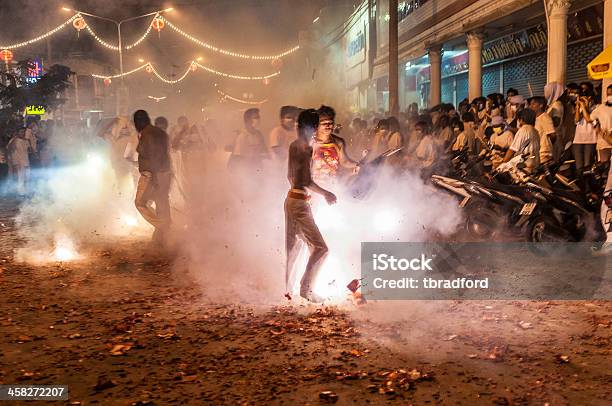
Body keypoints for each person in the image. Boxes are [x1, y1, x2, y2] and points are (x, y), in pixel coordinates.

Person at [285, 109, 337, 303]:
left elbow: (290, 177)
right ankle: (306, 289)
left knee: (295, 247)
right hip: (299, 202)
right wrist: (326, 194)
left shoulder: (293, 145)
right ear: (314, 127)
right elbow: (305, 179)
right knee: (321, 248)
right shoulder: (305, 147)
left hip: (291, 199)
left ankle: (288, 291)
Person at [133, 110, 172, 247]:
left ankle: (164, 226)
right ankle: (161, 239)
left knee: (140, 202)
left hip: (152, 173)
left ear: (139, 122)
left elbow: (153, 155)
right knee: (161, 202)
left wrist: (154, 176)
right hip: (165, 172)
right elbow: (166, 154)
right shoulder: (160, 133)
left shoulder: (147, 134)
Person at [312, 105, 358, 182]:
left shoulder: (338, 142)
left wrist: (358, 165)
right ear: (317, 125)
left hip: (333, 184)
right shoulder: (310, 142)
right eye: (324, 123)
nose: (327, 126)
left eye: (330, 123)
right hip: (315, 186)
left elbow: (344, 161)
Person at [573, 90, 597, 173]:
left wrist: (584, 106)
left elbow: (588, 118)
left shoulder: (596, 108)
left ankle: (588, 184)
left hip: (590, 140)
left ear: (590, 98)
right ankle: (580, 184)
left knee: (587, 166)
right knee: (579, 167)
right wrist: (577, 107)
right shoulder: (580, 108)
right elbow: (577, 120)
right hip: (578, 140)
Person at [529, 96, 555, 165]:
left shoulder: (545, 117)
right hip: (536, 153)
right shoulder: (534, 119)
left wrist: (547, 145)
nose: (530, 106)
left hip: (544, 153)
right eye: (530, 104)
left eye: (533, 104)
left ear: (541, 105)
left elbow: (552, 135)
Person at [591, 84, 612, 163]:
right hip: (604, 142)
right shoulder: (601, 108)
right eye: (608, 94)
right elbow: (591, 119)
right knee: (604, 165)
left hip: (608, 138)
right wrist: (597, 127)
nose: (609, 96)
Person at [7, 127, 31, 195]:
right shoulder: (13, 140)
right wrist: (12, 162)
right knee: (19, 178)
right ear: (17, 132)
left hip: (26, 161)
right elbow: (9, 150)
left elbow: (29, 150)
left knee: (27, 177)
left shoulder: (26, 141)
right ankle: (19, 192)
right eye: (21, 132)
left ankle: (25, 191)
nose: (22, 133)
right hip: (18, 162)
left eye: (23, 132)